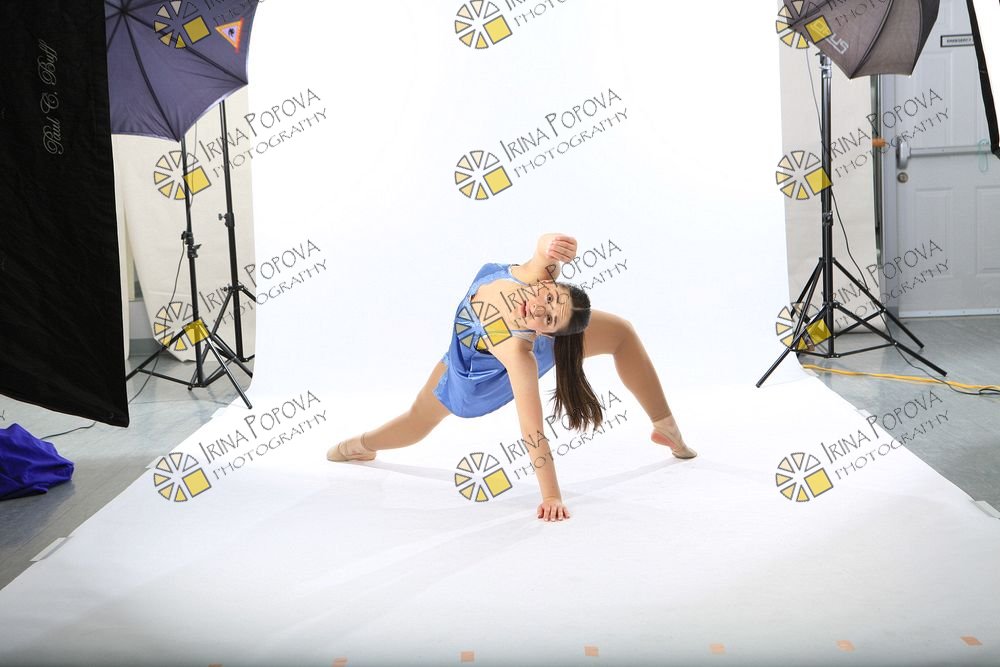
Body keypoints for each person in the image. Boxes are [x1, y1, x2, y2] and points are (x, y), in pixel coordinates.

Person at [327, 233, 697, 521]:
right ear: (548, 284)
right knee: (416, 420)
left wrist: (551, 495)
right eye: (548, 299)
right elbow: (544, 249)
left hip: (508, 357)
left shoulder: (520, 355)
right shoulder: (537, 277)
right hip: (471, 376)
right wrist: (555, 244)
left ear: (548, 334)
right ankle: (359, 444)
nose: (538, 308)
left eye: (548, 318)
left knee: (621, 333)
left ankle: (667, 428)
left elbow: (533, 431)